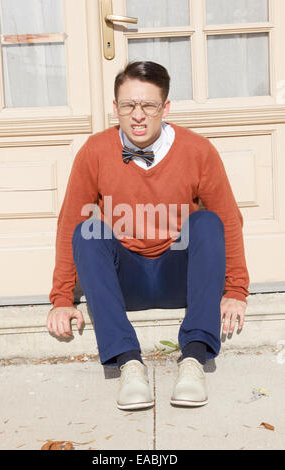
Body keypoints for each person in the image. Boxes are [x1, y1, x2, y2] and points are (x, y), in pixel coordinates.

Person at [47, 61, 249, 410]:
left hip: (179, 276)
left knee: (208, 222)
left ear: (165, 108)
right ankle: (128, 362)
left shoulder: (198, 150)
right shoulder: (95, 151)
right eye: (128, 105)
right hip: (127, 281)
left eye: (148, 105)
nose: (137, 115)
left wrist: (235, 290)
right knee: (87, 229)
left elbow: (229, 220)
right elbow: (68, 223)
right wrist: (62, 297)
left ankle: (193, 359)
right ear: (116, 108)